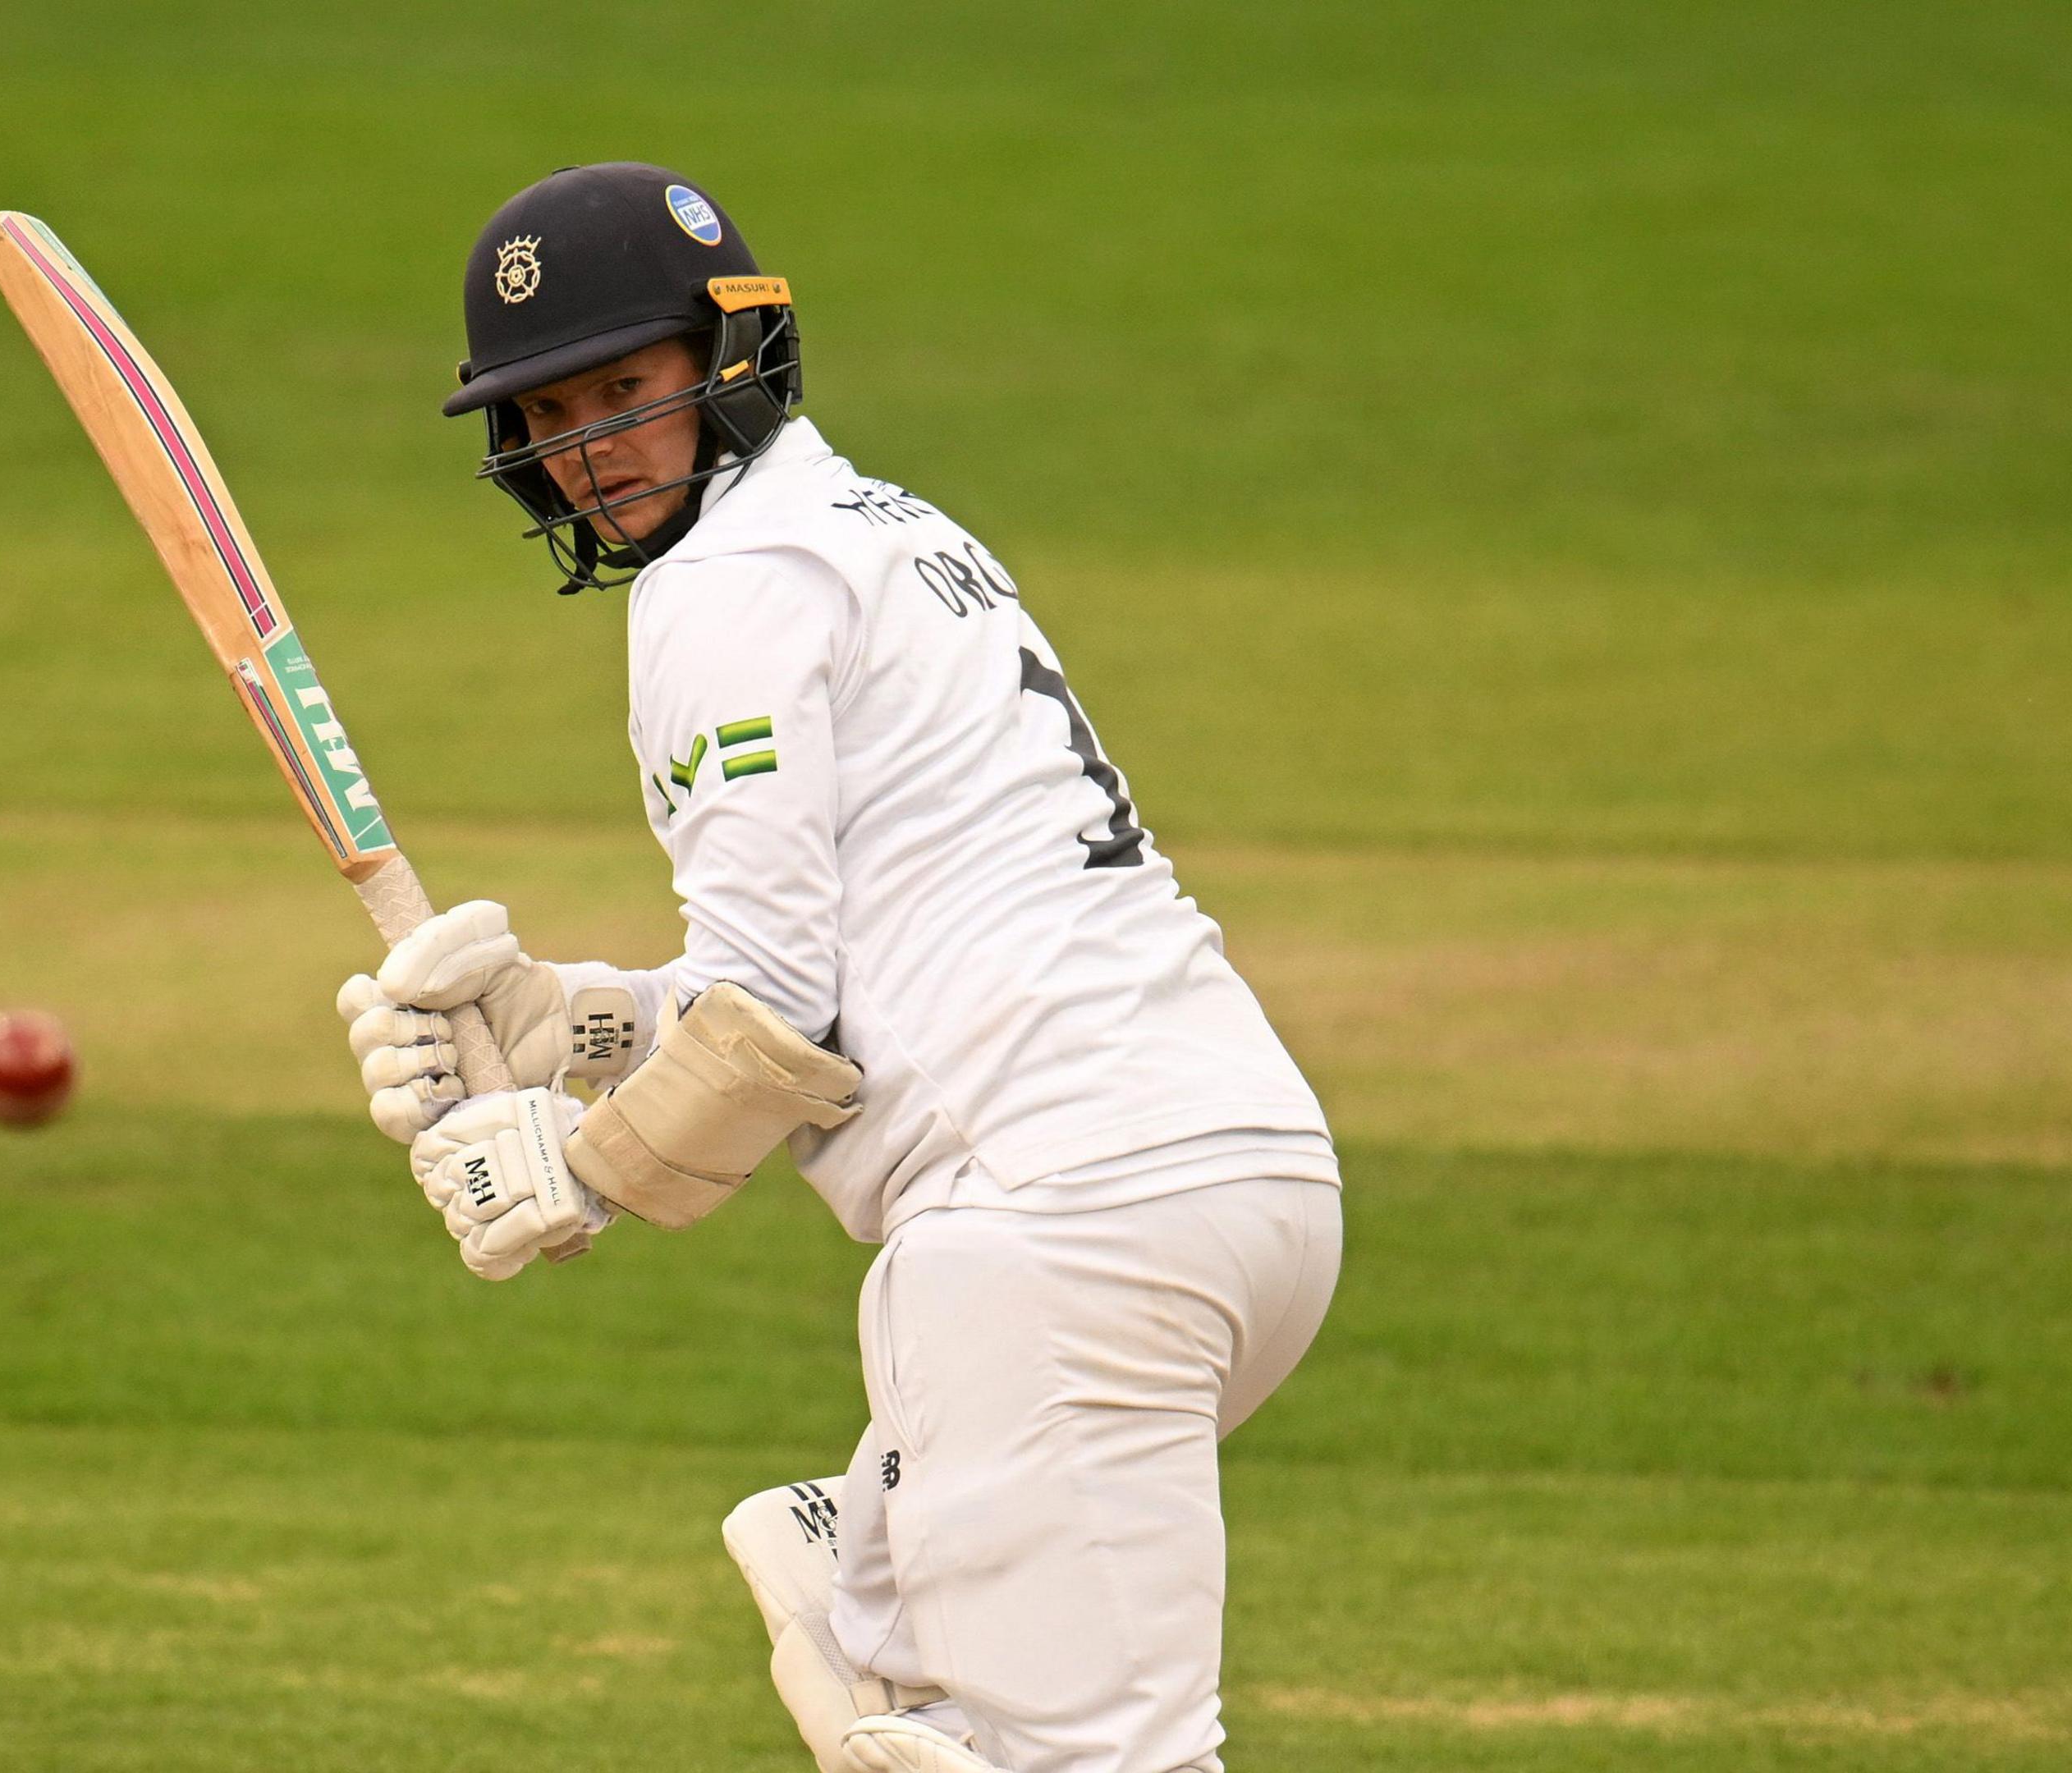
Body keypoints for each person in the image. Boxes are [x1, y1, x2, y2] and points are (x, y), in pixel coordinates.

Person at [334, 163, 1345, 1773]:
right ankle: (875, 1551)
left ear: (729, 357)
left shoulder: (726, 590)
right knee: (885, 1690)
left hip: (1053, 1235)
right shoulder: (887, 530)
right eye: (554, 413)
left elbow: (772, 1028)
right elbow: (815, 976)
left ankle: (908, 1551)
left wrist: (577, 1178)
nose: (592, 449)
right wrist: (556, 1023)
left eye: (627, 390)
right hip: (1245, 1194)